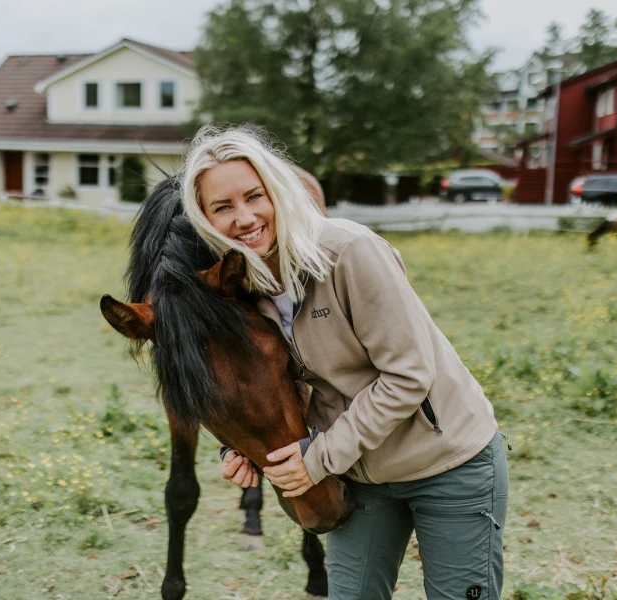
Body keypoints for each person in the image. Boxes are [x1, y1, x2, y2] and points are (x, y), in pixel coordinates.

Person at [180, 125, 509, 600]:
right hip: (359, 471)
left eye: (254, 196)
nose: (245, 218)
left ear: (277, 191)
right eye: (223, 207)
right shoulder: (242, 284)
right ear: (206, 218)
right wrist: (239, 451)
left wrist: (318, 459)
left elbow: (408, 376)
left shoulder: (349, 251)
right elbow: (257, 382)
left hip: (447, 462)